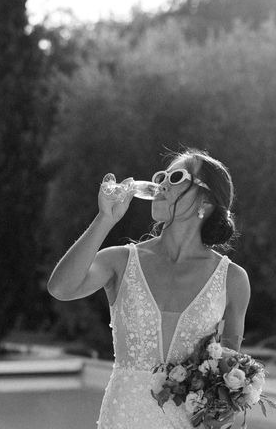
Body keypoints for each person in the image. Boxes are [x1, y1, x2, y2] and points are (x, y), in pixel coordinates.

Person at [47, 148, 251, 429]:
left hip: (187, 422)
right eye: (162, 176)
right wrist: (105, 219)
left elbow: (228, 372)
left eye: (177, 177)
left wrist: (226, 406)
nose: (162, 183)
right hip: (122, 417)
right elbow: (61, 288)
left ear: (206, 200)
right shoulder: (120, 261)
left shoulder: (232, 279)